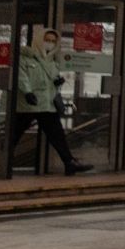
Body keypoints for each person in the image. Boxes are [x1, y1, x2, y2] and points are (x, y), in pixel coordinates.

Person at [12, 28, 84, 175]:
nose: (49, 44)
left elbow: (51, 83)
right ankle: (3, 161)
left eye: (53, 41)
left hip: (47, 104)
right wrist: (27, 92)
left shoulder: (52, 62)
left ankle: (69, 162)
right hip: (29, 104)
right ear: (39, 40)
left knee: (57, 134)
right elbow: (21, 76)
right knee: (15, 133)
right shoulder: (25, 57)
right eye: (47, 40)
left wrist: (58, 82)